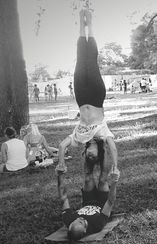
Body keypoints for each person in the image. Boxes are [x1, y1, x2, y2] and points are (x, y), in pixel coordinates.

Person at [56, 9, 119, 181]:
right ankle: (89, 24)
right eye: (93, 156)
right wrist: (115, 166)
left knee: (80, 59)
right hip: (97, 96)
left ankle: (80, 24)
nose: (89, 155)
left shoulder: (78, 139)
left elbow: (62, 146)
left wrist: (61, 163)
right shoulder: (102, 135)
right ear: (99, 152)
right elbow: (113, 148)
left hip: (82, 97)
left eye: (87, 156)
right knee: (91, 59)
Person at [57, 145, 118, 240]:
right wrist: (114, 181)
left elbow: (63, 197)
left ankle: (89, 149)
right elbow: (110, 201)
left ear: (70, 226)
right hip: (103, 202)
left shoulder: (69, 220)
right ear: (85, 230)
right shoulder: (97, 224)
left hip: (88, 201)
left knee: (88, 179)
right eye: (81, 222)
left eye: (76, 221)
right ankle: (104, 149)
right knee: (102, 180)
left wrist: (59, 175)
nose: (79, 218)